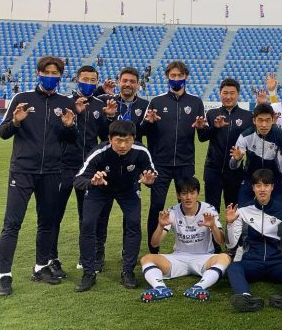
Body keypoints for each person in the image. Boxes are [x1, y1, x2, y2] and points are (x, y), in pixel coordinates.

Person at [0, 56, 77, 296]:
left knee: (47, 222)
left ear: (60, 76)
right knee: (12, 223)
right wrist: (15, 121)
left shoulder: (65, 103)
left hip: (52, 171)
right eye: (46, 72)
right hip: (22, 171)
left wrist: (70, 126)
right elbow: (3, 132)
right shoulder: (22, 99)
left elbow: (71, 140)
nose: (50, 76)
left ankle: (40, 267)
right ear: (38, 73)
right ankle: (4, 275)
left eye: (55, 73)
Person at [73, 121, 157, 292]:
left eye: (127, 140)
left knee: (133, 223)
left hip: (128, 189)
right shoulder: (99, 152)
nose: (123, 145)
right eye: (118, 140)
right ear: (110, 139)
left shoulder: (141, 151)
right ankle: (88, 273)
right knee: (88, 224)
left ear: (134, 138)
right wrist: (92, 182)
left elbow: (151, 173)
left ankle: (128, 271)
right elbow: (78, 179)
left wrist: (150, 181)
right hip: (100, 188)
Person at [50, 65, 116, 278]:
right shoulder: (65, 103)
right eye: (84, 79)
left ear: (97, 82)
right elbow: (56, 133)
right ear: (77, 80)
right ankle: (51, 258)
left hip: (89, 168)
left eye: (92, 80)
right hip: (64, 166)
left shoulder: (100, 105)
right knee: (55, 215)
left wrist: (110, 118)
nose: (88, 83)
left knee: (87, 216)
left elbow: (106, 136)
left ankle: (87, 256)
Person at [141, 60, 206, 253]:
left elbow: (202, 136)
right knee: (156, 206)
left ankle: (188, 247)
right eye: (173, 76)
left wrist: (202, 128)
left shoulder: (196, 102)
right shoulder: (157, 101)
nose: (176, 79)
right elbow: (142, 131)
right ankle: (153, 250)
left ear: (186, 77)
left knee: (187, 206)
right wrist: (149, 123)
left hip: (185, 164)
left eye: (179, 75)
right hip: (160, 164)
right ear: (167, 77)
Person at [225, 169, 282, 312]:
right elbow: (231, 244)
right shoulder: (242, 211)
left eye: (266, 185)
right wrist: (230, 224)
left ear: (272, 187)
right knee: (233, 268)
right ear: (253, 188)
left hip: (276, 263)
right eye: (258, 185)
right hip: (251, 262)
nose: (262, 189)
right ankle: (244, 297)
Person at [139, 176, 231, 302]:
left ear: (198, 193)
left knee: (225, 257)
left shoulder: (208, 209)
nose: (188, 197)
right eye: (184, 193)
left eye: (192, 193)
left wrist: (213, 226)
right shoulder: (172, 211)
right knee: (146, 258)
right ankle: (160, 288)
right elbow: (154, 244)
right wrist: (160, 226)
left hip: (204, 258)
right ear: (178, 195)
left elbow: (221, 241)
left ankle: (198, 288)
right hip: (179, 258)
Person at [199, 78, 254, 211]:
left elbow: (252, 144)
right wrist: (215, 127)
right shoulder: (211, 114)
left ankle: (232, 227)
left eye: (232, 93)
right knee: (211, 210)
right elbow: (202, 137)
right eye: (225, 93)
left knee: (233, 210)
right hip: (213, 170)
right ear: (220, 94)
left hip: (235, 171)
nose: (228, 97)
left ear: (238, 94)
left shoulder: (247, 116)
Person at [230, 103, 282, 205]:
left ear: (273, 120)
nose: (264, 125)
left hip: (273, 178)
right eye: (260, 120)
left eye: (268, 120)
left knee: (280, 209)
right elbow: (233, 166)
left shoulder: (280, 135)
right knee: (242, 209)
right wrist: (236, 160)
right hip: (250, 178)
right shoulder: (245, 136)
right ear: (254, 121)